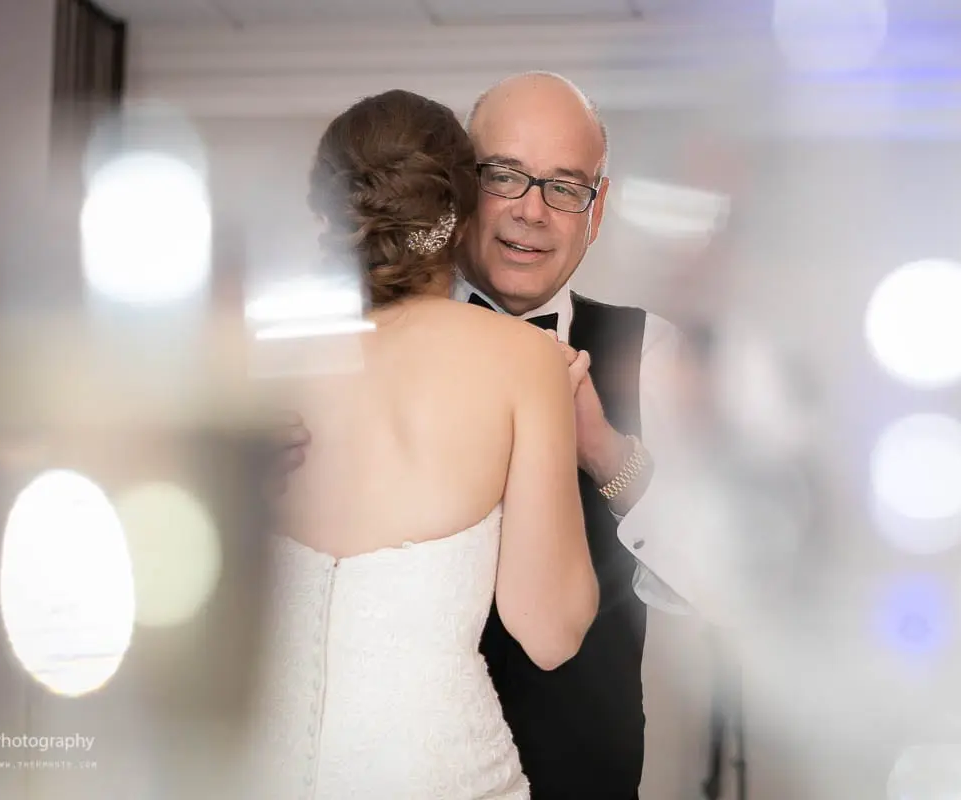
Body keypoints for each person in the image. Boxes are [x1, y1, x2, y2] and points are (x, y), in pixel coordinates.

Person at [270, 72, 705, 800]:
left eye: (564, 187)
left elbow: (727, 581)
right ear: (458, 189)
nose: (532, 211)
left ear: (597, 210)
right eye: (505, 175)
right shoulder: (301, 360)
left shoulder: (654, 354)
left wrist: (606, 452)